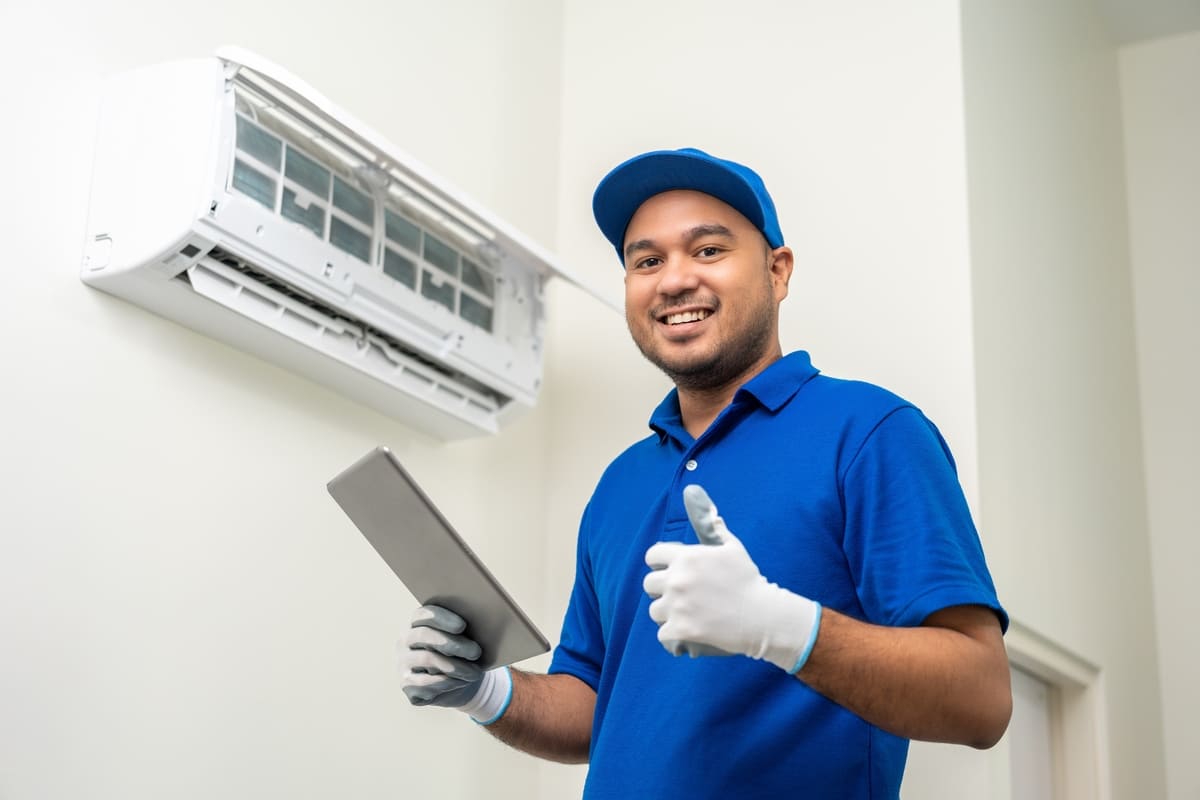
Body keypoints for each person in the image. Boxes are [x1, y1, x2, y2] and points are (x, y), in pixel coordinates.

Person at [400, 148, 1011, 798]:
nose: (672, 280)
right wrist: (486, 690)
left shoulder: (870, 433)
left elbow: (981, 697)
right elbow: (593, 705)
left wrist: (776, 626)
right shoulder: (621, 483)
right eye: (647, 260)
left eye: (709, 250)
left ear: (778, 272)